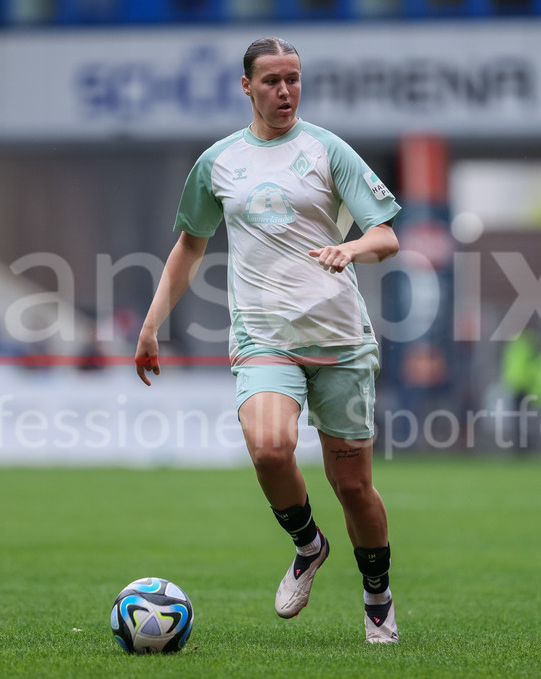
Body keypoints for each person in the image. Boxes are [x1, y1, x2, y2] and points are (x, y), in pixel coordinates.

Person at [135, 37, 402, 643]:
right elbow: (190, 246)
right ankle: (309, 545)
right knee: (270, 448)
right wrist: (151, 324)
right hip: (264, 338)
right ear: (247, 87)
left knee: (353, 486)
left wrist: (351, 246)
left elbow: (386, 236)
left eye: (294, 80)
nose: (286, 91)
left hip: (339, 339)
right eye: (273, 81)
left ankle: (378, 596)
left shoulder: (326, 149)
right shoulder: (219, 162)